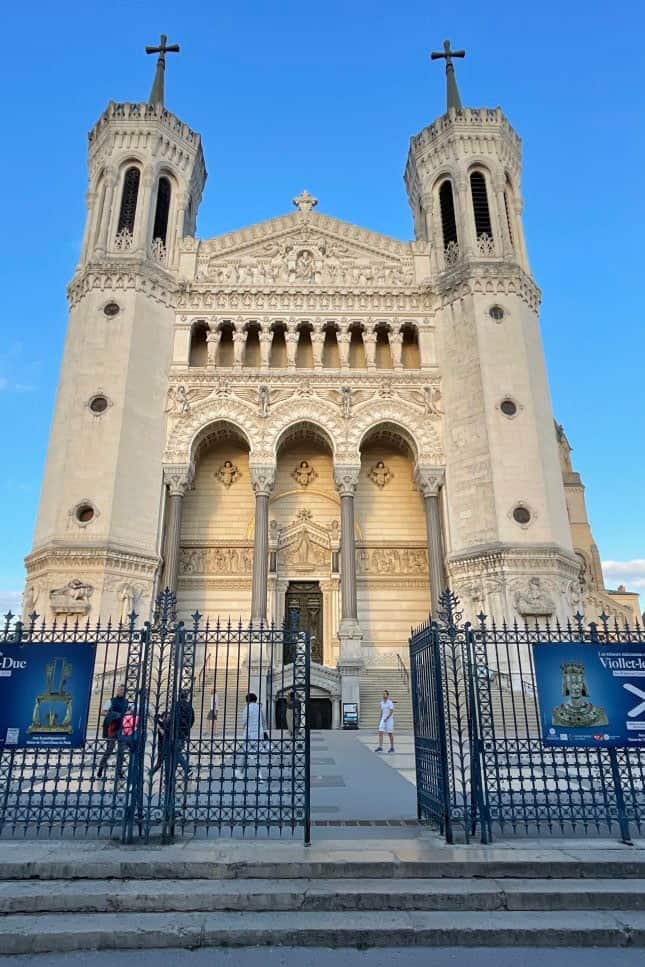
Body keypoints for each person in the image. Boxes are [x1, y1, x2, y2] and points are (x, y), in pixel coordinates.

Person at [96, 685, 128, 779]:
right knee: (109, 749)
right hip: (112, 727)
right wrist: (114, 714)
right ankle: (101, 768)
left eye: (123, 690)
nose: (121, 691)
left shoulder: (126, 702)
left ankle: (119, 773)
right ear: (117, 690)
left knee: (121, 752)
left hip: (122, 728)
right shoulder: (111, 701)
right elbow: (102, 712)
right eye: (120, 689)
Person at [236, 692, 267, 782]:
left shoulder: (247, 708)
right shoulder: (259, 708)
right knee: (258, 755)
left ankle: (240, 772)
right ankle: (259, 775)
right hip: (259, 734)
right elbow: (263, 721)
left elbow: (244, 721)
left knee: (245, 753)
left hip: (249, 734)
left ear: (247, 700)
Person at [173, 691, 195, 778]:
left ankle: (187, 769)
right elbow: (192, 719)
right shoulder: (189, 706)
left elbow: (173, 717)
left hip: (176, 731)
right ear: (186, 697)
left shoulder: (176, 705)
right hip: (184, 732)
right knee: (176, 752)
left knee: (176, 752)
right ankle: (172, 774)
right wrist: (187, 729)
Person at [375, 690, 395, 754]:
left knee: (390, 733)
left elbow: (391, 711)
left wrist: (387, 717)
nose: (383, 695)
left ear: (387, 695)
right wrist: (380, 719)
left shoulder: (390, 702)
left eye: (385, 694)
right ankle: (380, 747)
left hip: (389, 719)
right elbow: (381, 711)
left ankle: (392, 747)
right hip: (383, 719)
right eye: (383, 694)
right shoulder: (381, 703)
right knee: (380, 732)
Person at [150, 710, 168, 776]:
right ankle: (151, 773)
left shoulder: (168, 724)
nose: (166, 719)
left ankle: (152, 773)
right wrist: (159, 728)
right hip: (161, 746)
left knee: (164, 762)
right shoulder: (161, 723)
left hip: (167, 745)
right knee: (159, 762)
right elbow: (155, 717)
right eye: (165, 717)